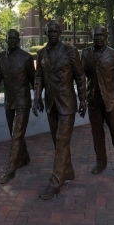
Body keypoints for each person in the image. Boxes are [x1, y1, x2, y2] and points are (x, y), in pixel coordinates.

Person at [32, 21, 87, 200]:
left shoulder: (71, 52)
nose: (53, 33)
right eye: (50, 31)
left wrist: (83, 99)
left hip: (67, 103)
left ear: (60, 32)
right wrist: (37, 98)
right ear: (46, 32)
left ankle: (55, 183)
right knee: (58, 142)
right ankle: (68, 171)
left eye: (56, 31)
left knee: (62, 141)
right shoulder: (41, 54)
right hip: (50, 104)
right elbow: (38, 77)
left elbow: (80, 76)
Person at [81, 25, 114, 175]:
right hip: (93, 101)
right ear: (92, 37)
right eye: (96, 35)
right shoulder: (85, 54)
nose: (98, 38)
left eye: (101, 35)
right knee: (97, 133)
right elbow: (81, 78)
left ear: (106, 36)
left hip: (111, 101)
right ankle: (101, 161)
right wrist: (82, 99)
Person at [0, 29, 35, 184]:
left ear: (19, 40)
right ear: (6, 39)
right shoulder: (1, 57)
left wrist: (37, 100)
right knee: (14, 133)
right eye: (10, 38)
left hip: (23, 102)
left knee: (17, 135)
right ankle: (24, 157)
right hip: (9, 101)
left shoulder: (26, 58)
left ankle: (10, 171)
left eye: (15, 38)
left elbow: (34, 80)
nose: (12, 41)